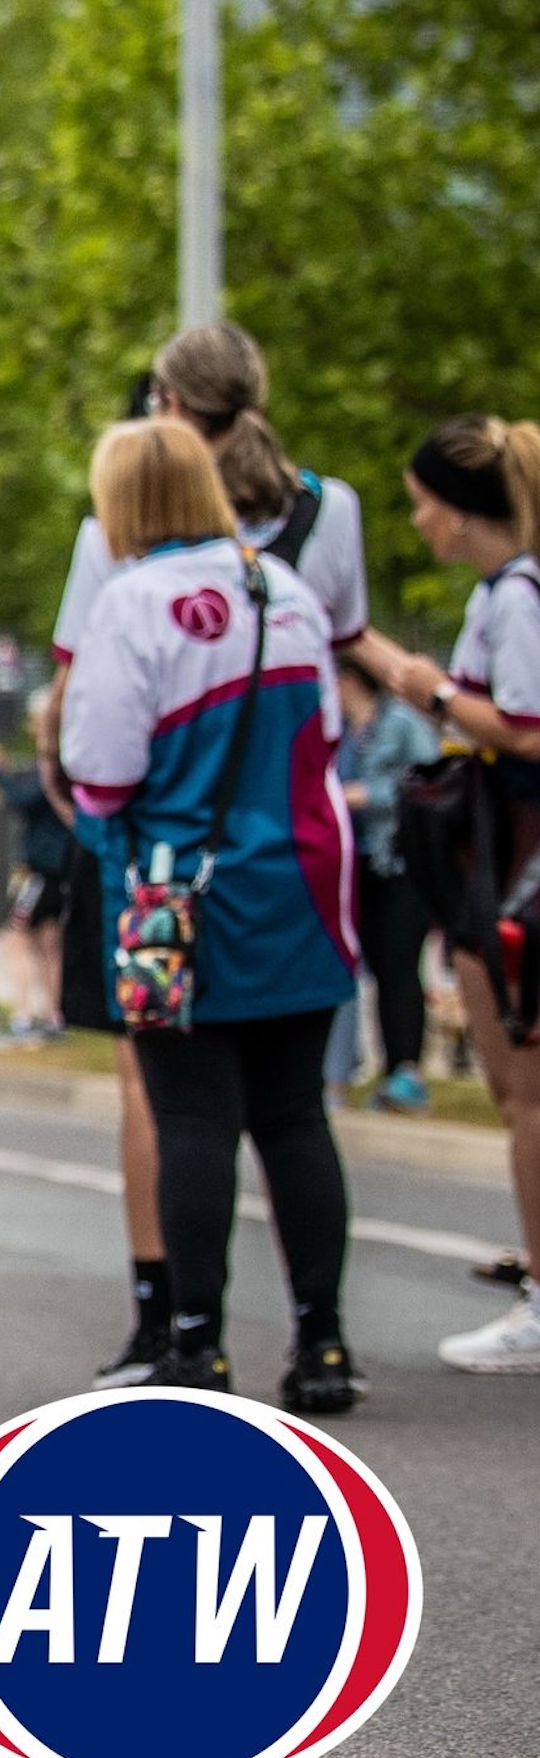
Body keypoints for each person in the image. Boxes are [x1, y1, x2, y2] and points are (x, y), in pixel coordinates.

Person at [48, 322, 374, 1387]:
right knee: (294, 1115)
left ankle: (197, 1338)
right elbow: (323, 731)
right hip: (301, 881)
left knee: (193, 1115)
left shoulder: (133, 602)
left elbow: (101, 768)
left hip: (178, 894)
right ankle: (322, 1338)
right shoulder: (290, 595)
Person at [349, 414, 540, 1373]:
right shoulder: (503, 595)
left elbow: (526, 728)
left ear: (462, 511)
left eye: (424, 502)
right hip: (496, 859)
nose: (418, 520)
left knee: (524, 1090)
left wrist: (424, 689)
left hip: (512, 863)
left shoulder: (517, 600)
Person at [329, 666, 439, 1112]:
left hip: (401, 861)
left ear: (351, 677)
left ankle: (406, 1071)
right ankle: (373, 1069)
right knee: (364, 966)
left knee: (399, 966)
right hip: (356, 863)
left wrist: (367, 794)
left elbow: (432, 783)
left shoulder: (402, 723)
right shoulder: (344, 731)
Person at [0, 733, 75, 1045]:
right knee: (48, 941)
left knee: (14, 936)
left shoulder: (53, 769)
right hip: (57, 866)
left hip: (43, 869)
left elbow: (20, 797)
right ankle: (55, 1014)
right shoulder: (66, 767)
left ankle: (26, 1015)